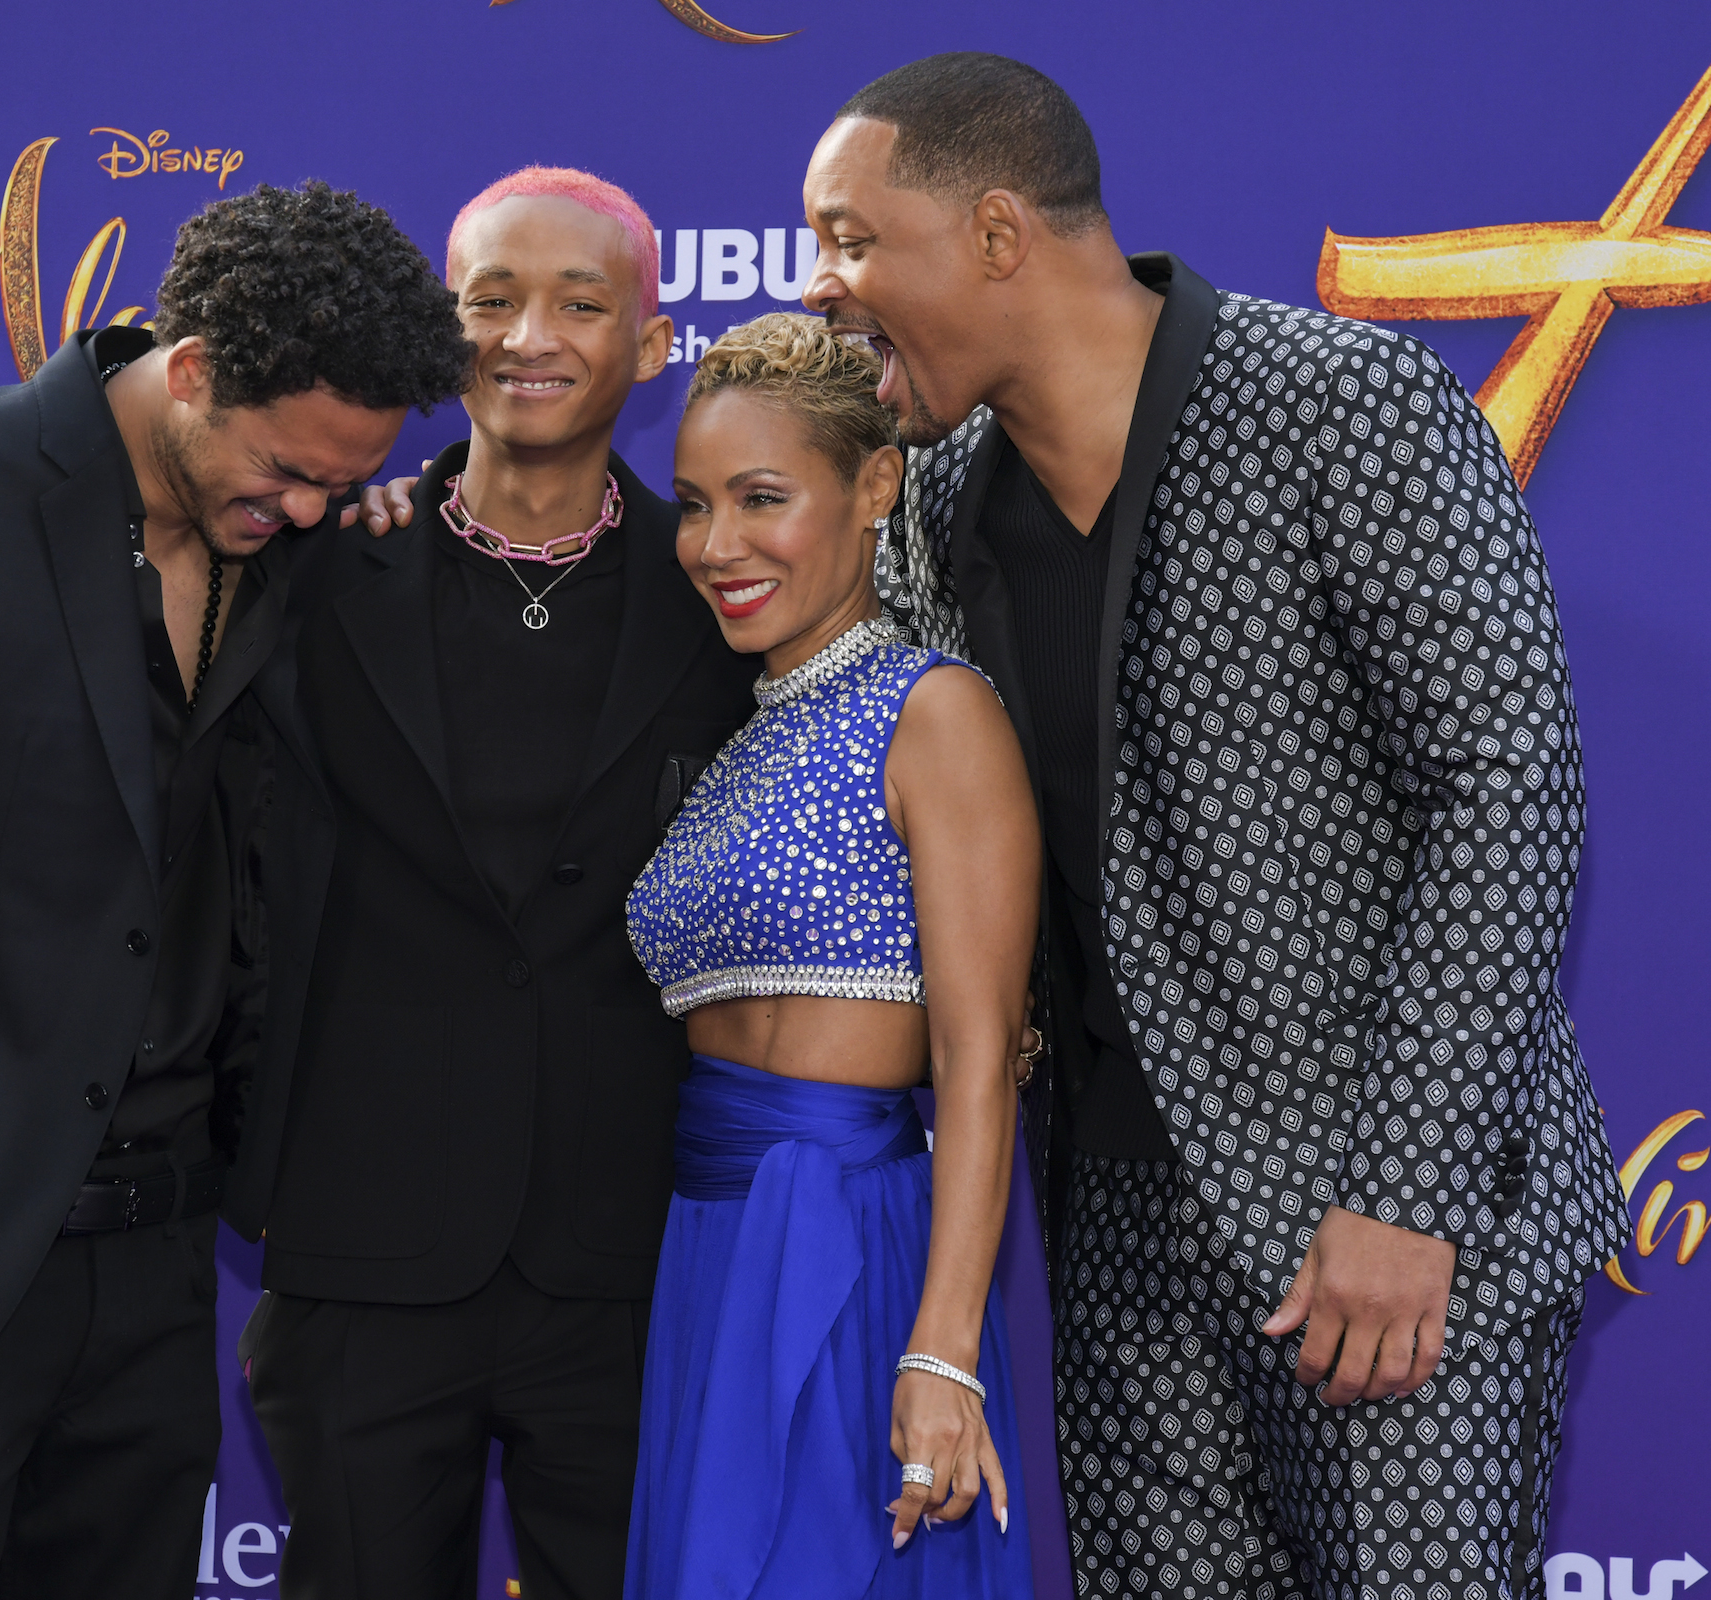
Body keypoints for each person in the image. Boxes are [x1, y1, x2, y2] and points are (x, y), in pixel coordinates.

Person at [800, 52, 1633, 1600]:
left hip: (1384, 1235)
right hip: (1116, 1234)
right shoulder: (935, 496)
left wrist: (1407, 1194)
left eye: (850, 238)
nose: (823, 284)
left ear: (996, 234)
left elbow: (1507, 788)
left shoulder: (1341, 402)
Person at [0, 180, 472, 1599]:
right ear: (190, 374)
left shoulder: (296, 540)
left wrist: (350, 505)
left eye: (340, 478)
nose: (309, 505)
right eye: (287, 468)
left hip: (158, 1253)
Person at [240, 167, 761, 1600]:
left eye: (579, 303)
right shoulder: (318, 567)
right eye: (491, 301)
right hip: (362, 1246)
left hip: (631, 1255)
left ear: (652, 345)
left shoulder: (722, 593)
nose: (529, 334)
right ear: (441, 330)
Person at [623, 312, 1040, 1599]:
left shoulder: (936, 711)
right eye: (692, 506)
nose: (716, 546)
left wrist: (945, 1352)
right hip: (710, 1244)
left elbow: (980, 1065)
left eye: (762, 499)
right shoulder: (743, 732)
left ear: (874, 487)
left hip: (849, 1248)